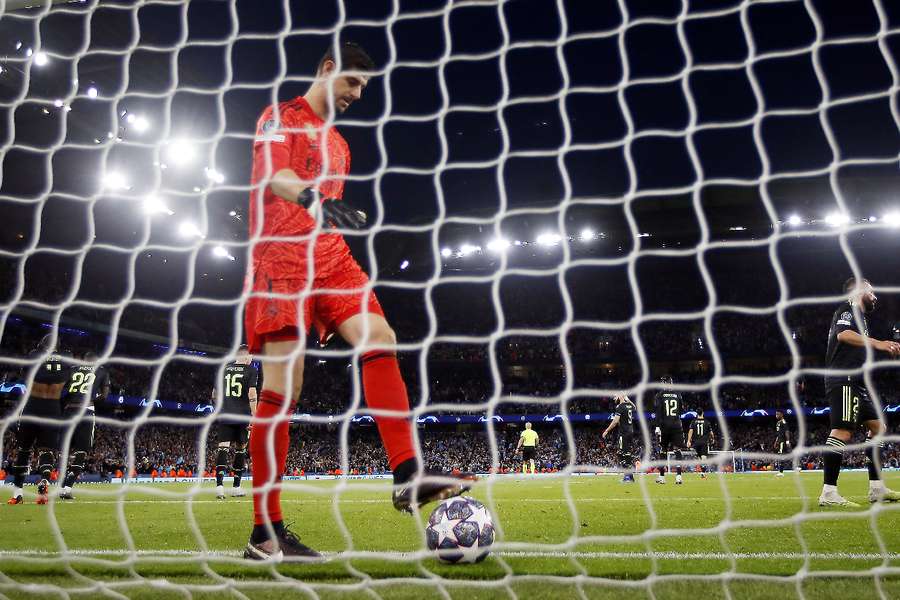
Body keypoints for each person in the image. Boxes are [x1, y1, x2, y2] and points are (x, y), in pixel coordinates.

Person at [244, 41, 472, 560]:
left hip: (330, 258)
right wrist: (313, 199)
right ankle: (266, 534)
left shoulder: (342, 146)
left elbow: (326, 211)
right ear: (328, 69)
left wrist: (328, 214)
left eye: (364, 88)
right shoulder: (280, 116)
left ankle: (409, 474)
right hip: (280, 259)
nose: (356, 94)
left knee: (381, 336)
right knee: (283, 388)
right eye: (352, 82)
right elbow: (276, 178)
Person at [818, 277, 900, 507]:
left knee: (878, 428)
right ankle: (829, 492)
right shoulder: (848, 308)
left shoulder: (861, 317)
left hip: (857, 383)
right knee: (842, 431)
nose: (875, 296)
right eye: (872, 291)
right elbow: (842, 335)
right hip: (844, 379)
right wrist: (878, 343)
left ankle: (877, 489)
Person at [7, 335, 71, 505]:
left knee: (24, 451)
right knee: (47, 451)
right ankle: (44, 485)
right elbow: (69, 386)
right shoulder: (67, 358)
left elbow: (25, 376)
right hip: (53, 408)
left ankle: (17, 493)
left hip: (33, 406)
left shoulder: (34, 355)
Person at [59, 352, 109, 499]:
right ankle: (67, 487)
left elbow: (62, 391)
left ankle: (62, 486)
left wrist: (66, 403)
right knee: (82, 451)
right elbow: (104, 396)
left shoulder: (72, 369)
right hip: (86, 411)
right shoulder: (101, 371)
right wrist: (93, 402)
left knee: (65, 450)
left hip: (69, 411)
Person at [215, 345, 258, 499]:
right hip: (243, 416)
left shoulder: (224, 369)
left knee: (223, 448)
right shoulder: (251, 370)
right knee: (241, 449)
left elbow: (214, 394)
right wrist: (255, 414)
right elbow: (252, 392)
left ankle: (219, 487)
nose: (252, 359)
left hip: (225, 414)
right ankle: (236, 487)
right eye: (251, 356)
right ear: (245, 356)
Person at [653, 375, 685, 485]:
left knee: (663, 451)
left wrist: (657, 427)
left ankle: (662, 477)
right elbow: (681, 410)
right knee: (677, 450)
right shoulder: (678, 394)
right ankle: (679, 477)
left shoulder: (660, 395)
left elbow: (658, 413)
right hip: (677, 425)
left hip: (664, 426)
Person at [602, 394, 637, 482]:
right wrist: (628, 399)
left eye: (615, 396)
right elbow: (635, 408)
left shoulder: (620, 407)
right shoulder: (629, 405)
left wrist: (607, 430)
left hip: (624, 432)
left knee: (623, 454)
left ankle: (627, 477)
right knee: (623, 453)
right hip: (630, 431)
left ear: (620, 397)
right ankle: (630, 476)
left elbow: (615, 421)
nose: (614, 398)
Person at [687, 410, 714, 479]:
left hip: (696, 442)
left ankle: (701, 471)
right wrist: (712, 439)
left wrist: (688, 441)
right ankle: (703, 473)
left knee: (699, 457)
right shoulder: (707, 421)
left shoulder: (693, 421)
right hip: (704, 442)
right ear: (703, 413)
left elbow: (690, 431)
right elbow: (711, 433)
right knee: (704, 457)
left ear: (697, 414)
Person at [773, 409, 790, 477]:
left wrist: (788, 441)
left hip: (782, 441)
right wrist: (776, 441)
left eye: (778, 414)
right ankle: (797, 467)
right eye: (776, 414)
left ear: (782, 414)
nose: (776, 415)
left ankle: (781, 472)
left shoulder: (783, 422)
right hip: (779, 441)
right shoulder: (778, 423)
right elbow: (778, 434)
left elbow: (787, 432)